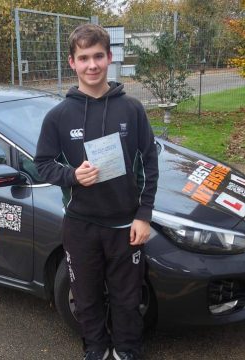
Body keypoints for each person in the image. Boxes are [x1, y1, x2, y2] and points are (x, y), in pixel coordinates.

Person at [34, 23, 158, 360]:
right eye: (84, 57)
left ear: (110, 58)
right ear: (72, 63)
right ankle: (96, 350)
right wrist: (72, 175)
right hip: (81, 226)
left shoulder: (131, 109)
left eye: (98, 56)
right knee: (86, 297)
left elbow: (149, 163)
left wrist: (143, 216)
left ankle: (127, 351)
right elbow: (42, 164)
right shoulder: (58, 117)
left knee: (127, 297)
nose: (92, 65)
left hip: (125, 226)